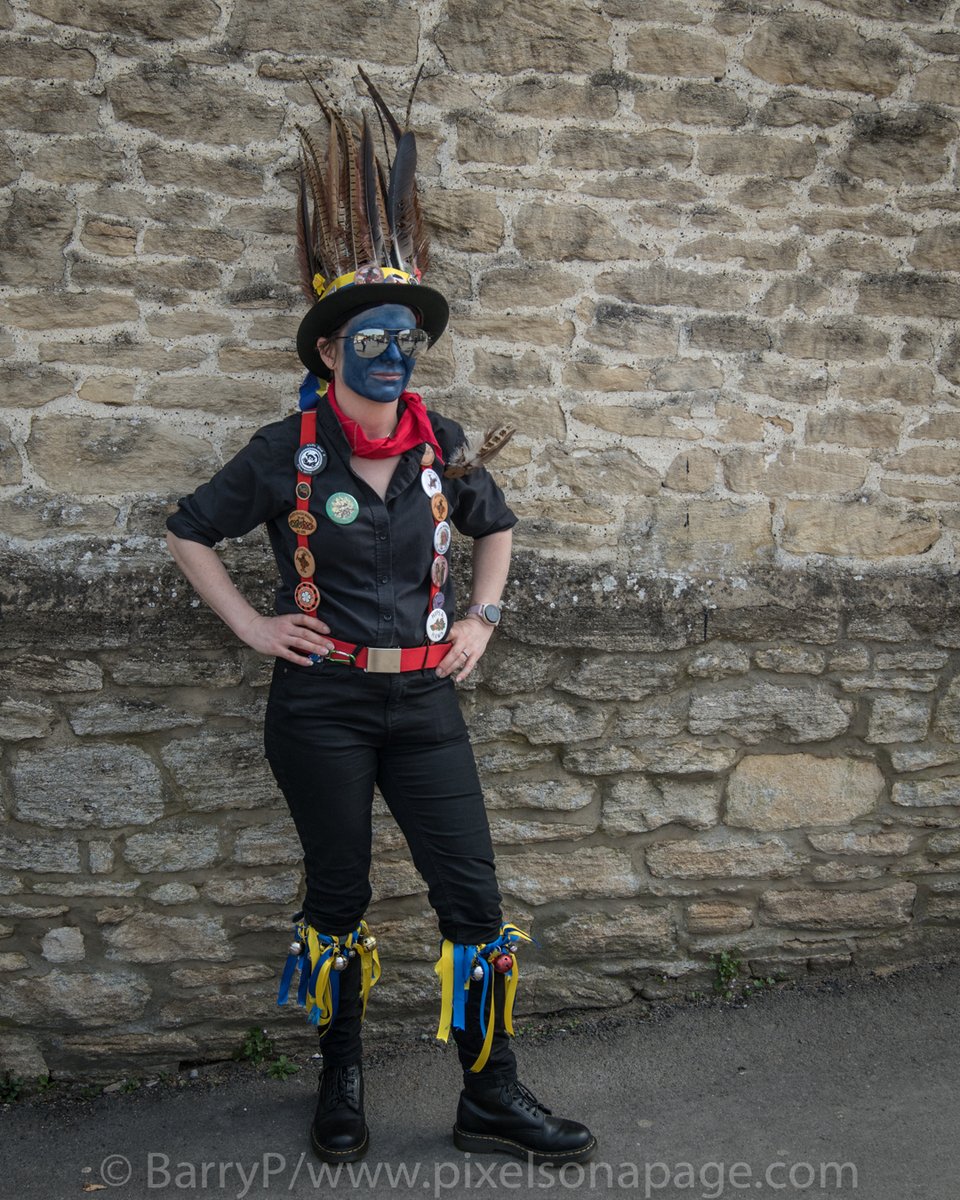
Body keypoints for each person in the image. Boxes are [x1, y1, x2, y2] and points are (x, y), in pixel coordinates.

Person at [164, 75, 596, 1168]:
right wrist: (256, 630)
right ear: (328, 352)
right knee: (342, 896)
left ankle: (491, 1093)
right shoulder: (284, 450)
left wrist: (483, 620)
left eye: (407, 333)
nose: (394, 349)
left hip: (424, 700)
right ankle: (341, 1077)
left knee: (474, 899)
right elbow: (186, 531)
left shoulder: (443, 442)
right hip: (322, 705)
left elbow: (497, 528)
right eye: (373, 334)